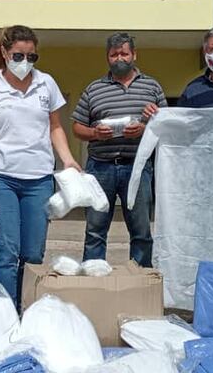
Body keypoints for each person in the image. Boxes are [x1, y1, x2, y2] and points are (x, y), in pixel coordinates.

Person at [0, 25, 82, 306]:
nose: (25, 62)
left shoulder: (46, 84)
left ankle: (28, 311)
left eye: (31, 57)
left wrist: (68, 159)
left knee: (33, 255)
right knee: (7, 253)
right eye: (18, 56)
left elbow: (55, 127)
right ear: (4, 52)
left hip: (39, 179)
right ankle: (6, 317)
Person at [71, 32, 166, 267]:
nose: (119, 58)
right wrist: (94, 133)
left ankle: (141, 280)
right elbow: (77, 127)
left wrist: (145, 128)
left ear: (134, 54)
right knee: (95, 228)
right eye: (114, 54)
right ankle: (94, 278)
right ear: (107, 58)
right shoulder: (94, 89)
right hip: (100, 166)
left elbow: (167, 124)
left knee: (141, 229)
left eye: (124, 53)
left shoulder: (152, 86)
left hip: (138, 166)